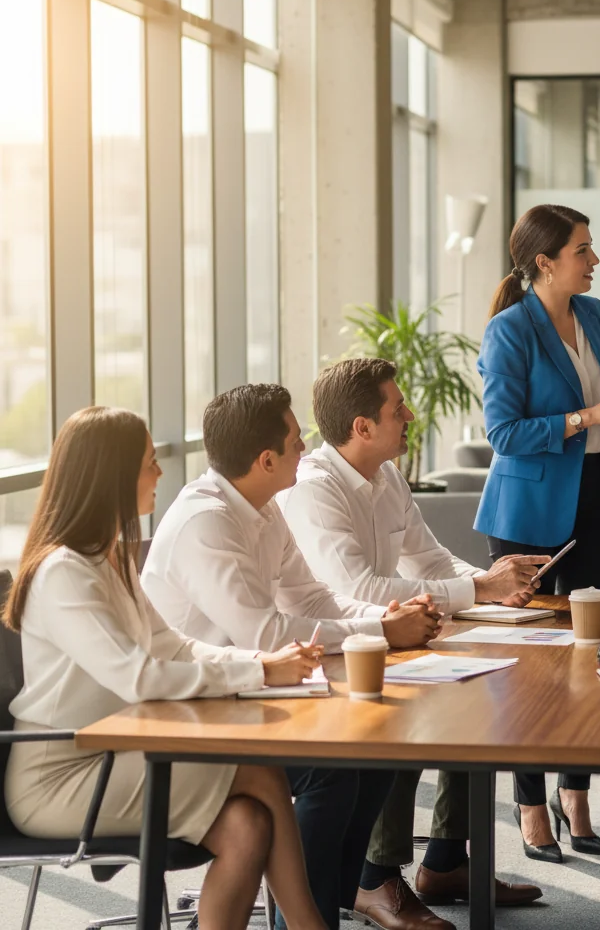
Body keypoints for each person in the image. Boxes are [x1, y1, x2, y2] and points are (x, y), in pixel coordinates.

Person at [3, 406, 330, 930]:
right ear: (114, 475)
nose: (159, 473)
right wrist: (261, 675)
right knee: (260, 769)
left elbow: (176, 647)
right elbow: (137, 676)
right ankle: (311, 926)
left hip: (116, 750)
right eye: (150, 462)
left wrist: (263, 662)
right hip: (62, 775)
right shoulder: (63, 572)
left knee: (246, 825)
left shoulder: (108, 560)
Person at [142, 384, 436, 930]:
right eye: (298, 440)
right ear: (267, 459)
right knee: (330, 769)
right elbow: (265, 632)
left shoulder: (262, 507)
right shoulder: (205, 522)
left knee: (378, 749)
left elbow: (312, 597)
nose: (308, 448)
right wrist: (379, 630)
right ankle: (308, 919)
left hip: (246, 693)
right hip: (190, 711)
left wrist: (382, 622)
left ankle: (335, 899)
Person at [280, 357, 545, 927]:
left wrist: (492, 587)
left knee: (480, 687)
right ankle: (374, 879)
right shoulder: (314, 489)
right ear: (362, 427)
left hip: (385, 636)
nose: (410, 415)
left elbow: (428, 558)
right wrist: (477, 585)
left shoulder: (386, 475)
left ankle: (446, 859)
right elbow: (357, 589)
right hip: (327, 654)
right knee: (404, 719)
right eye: (397, 408)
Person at [475, 203, 600, 860]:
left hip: (596, 498)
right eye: (583, 250)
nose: (594, 260)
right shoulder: (509, 331)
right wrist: (587, 416)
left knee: (588, 652)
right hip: (529, 513)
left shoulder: (594, 316)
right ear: (545, 261)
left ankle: (576, 796)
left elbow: (599, 414)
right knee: (531, 665)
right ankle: (528, 802)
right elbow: (504, 434)